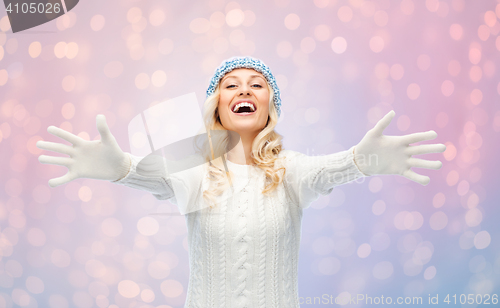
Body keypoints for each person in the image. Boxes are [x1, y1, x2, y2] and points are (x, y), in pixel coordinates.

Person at [36, 56, 446, 308]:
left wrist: (364, 158)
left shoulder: (290, 171)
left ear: (270, 105)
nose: (243, 90)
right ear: (218, 104)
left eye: (256, 84)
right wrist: (119, 167)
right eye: (230, 85)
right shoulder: (195, 171)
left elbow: (331, 169)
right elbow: (149, 173)